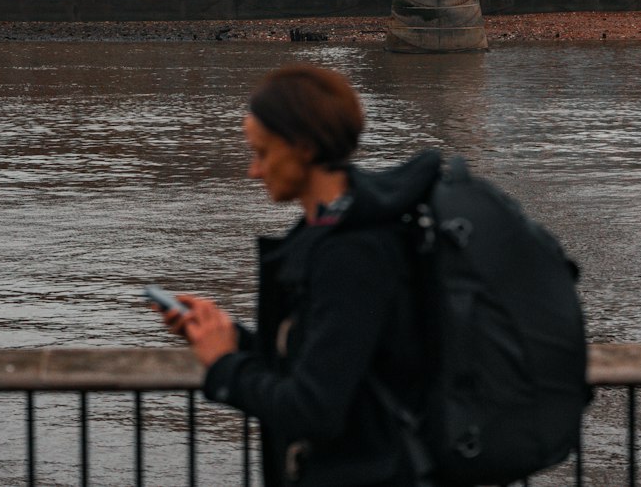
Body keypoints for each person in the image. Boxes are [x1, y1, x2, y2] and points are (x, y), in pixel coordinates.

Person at [152, 62, 440, 487]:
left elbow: (314, 408)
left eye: (262, 152)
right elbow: (323, 359)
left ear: (303, 147)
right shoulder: (333, 233)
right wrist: (223, 334)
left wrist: (224, 366)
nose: (254, 170)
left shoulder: (350, 252)